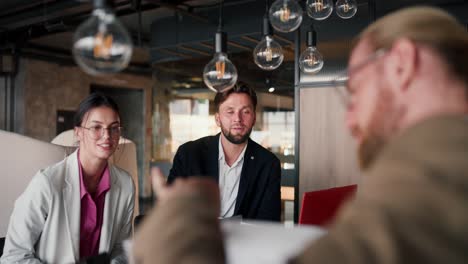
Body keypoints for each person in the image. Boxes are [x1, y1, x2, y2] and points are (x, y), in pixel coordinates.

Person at [133, 6, 468, 264]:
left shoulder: (425, 176)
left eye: (355, 90)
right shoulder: (434, 167)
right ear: (217, 116)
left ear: (401, 64)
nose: (350, 121)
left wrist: (175, 222)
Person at [1, 93, 135, 264]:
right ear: (78, 133)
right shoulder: (46, 183)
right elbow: (13, 257)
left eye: (114, 127)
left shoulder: (125, 184)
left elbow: (121, 248)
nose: (107, 135)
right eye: (96, 127)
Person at [167, 82, 281, 221]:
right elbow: (170, 209)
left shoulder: (268, 164)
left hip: (246, 240)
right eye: (230, 111)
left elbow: (269, 221)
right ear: (217, 119)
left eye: (245, 112)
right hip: (196, 239)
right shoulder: (189, 154)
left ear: (254, 118)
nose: (237, 119)